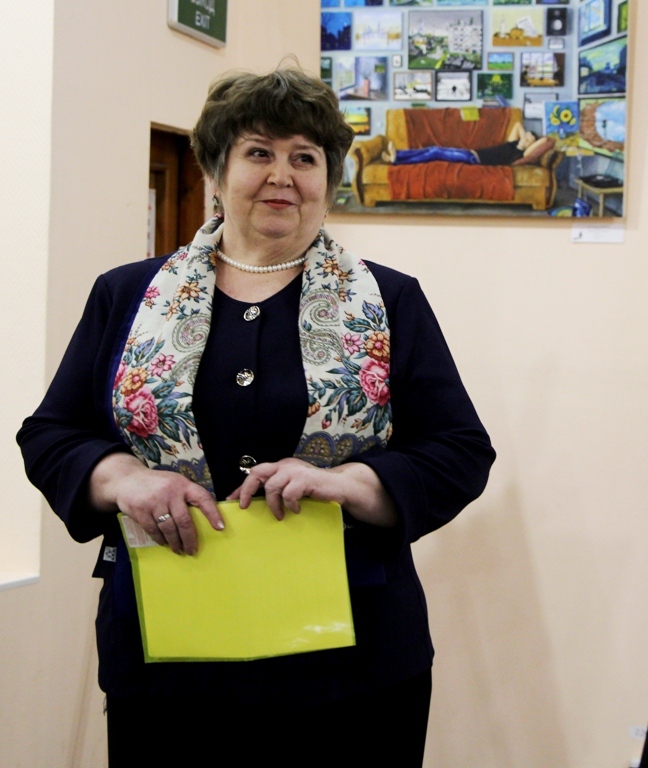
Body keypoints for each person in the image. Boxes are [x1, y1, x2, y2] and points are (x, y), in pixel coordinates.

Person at [17, 65, 494, 767]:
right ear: (216, 170)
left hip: (353, 663)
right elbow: (51, 434)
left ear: (328, 178)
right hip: (170, 658)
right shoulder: (126, 295)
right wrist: (124, 479)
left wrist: (349, 482)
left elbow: (458, 449)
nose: (282, 175)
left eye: (305, 157)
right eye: (259, 152)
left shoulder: (391, 300)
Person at [383, 121, 551, 166]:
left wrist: (533, 140)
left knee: (435, 152)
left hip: (473, 159)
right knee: (433, 149)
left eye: (529, 140)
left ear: (531, 145)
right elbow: (518, 125)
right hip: (470, 153)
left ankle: (397, 159)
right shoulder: (513, 143)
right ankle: (397, 156)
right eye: (525, 136)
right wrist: (525, 136)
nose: (525, 138)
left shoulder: (521, 154)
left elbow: (545, 141)